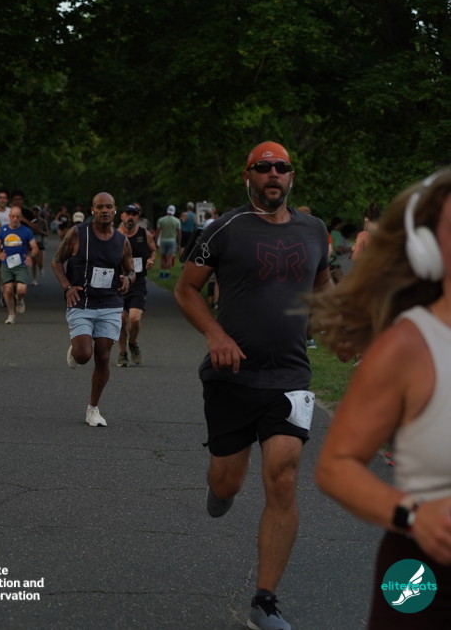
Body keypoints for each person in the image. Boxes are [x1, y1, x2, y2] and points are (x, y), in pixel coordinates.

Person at [173, 141, 331, 630]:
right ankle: (219, 489)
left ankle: (265, 601)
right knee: (228, 481)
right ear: (248, 176)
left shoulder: (315, 230)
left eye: (282, 167)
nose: (273, 174)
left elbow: (323, 288)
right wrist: (215, 334)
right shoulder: (224, 229)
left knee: (283, 473)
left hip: (290, 375)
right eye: (264, 167)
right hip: (232, 377)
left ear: (291, 176)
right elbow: (185, 288)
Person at [312, 170, 451, 628]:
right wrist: (413, 517)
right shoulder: (407, 346)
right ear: (427, 248)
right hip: (424, 571)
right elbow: (336, 466)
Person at [52, 193, 134, 427]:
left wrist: (128, 279)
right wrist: (67, 287)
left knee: (103, 355)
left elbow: (130, 270)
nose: (104, 211)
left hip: (110, 304)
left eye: (109, 207)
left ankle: (93, 409)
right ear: (93, 210)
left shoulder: (122, 240)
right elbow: (56, 261)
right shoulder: (78, 233)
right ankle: (78, 346)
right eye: (100, 207)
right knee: (83, 355)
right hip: (82, 302)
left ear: (115, 210)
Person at [116, 203, 156, 367]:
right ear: (122, 216)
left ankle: (132, 343)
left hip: (138, 283)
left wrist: (151, 259)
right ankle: (122, 353)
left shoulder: (144, 234)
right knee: (120, 320)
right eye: (128, 214)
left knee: (134, 318)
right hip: (118, 283)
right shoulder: (115, 235)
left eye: (134, 214)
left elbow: (153, 250)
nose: (131, 217)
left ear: (138, 218)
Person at [0, 206, 38, 324]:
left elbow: (34, 247)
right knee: (8, 289)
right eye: (13, 216)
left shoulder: (26, 231)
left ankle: (20, 299)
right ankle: (11, 315)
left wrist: (30, 256)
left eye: (18, 217)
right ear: (9, 217)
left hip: (21, 264)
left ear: (21, 217)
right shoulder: (2, 230)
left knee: (21, 289)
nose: (15, 219)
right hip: (6, 264)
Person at [155, 204, 181, 279]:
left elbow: (158, 232)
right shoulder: (177, 221)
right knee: (169, 258)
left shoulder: (161, 220)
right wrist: (179, 243)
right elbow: (179, 233)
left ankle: (161, 273)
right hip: (172, 241)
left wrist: (156, 241)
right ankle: (167, 273)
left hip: (163, 240)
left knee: (162, 257)